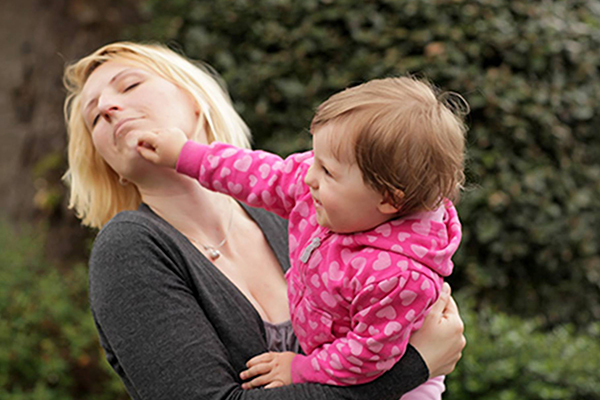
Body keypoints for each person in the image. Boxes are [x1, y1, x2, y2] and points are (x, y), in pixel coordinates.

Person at [63, 41, 466, 400]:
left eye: (129, 85)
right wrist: (415, 365)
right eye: (94, 117)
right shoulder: (130, 248)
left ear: (195, 99)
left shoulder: (302, 216)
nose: (107, 107)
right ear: (107, 163)